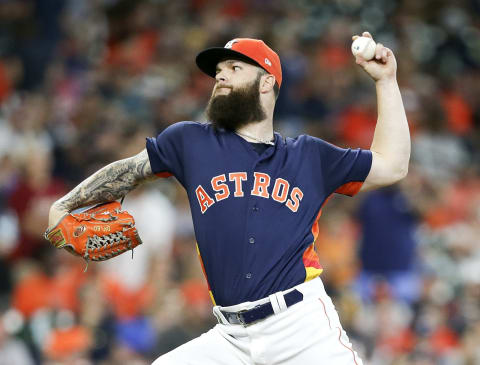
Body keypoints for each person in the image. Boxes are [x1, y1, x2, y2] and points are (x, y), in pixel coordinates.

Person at [47, 32, 410, 364]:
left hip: (301, 328)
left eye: (234, 68)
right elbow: (127, 171)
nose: (220, 76)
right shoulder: (190, 142)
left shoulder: (309, 156)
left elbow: (392, 166)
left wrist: (387, 81)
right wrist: (63, 206)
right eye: (218, 70)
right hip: (230, 335)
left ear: (267, 82)